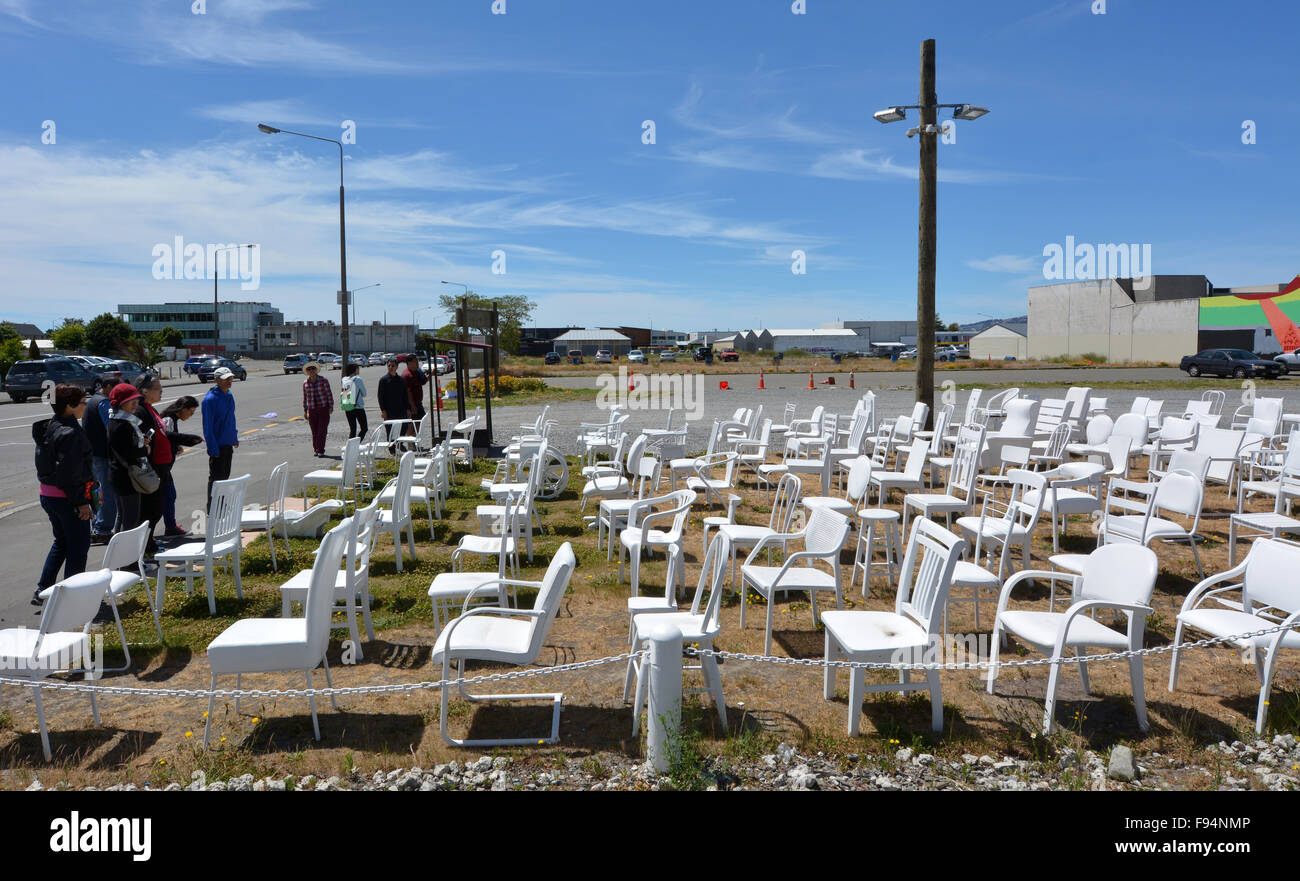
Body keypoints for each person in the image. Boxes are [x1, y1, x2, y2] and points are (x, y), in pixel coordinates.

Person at [34, 383, 94, 605]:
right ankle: (71, 598)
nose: (86, 405)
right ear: (70, 406)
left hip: (48, 494)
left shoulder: (50, 426)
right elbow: (70, 473)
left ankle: (43, 591)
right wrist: (81, 503)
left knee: (62, 542)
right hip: (67, 498)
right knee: (78, 546)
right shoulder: (71, 433)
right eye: (82, 401)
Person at [136, 377, 201, 550]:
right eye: (158, 388)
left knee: (158, 506)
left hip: (162, 467)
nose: (161, 391)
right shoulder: (144, 412)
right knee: (151, 508)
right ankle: (146, 544)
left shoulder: (151, 410)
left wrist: (182, 441)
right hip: (154, 467)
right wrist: (180, 442)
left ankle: (151, 541)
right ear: (145, 391)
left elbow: (161, 436)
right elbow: (152, 437)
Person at [106, 382, 152, 539]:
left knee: (124, 518)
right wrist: (144, 450)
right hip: (126, 477)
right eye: (130, 401)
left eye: (137, 400)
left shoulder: (117, 419)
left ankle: (119, 558)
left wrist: (140, 443)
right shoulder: (122, 424)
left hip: (119, 475)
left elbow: (123, 447)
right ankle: (127, 562)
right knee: (131, 521)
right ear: (120, 403)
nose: (135, 404)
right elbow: (128, 452)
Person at [81, 376, 117, 544]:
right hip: (102, 454)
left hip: (92, 453)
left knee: (97, 493)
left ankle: (98, 526)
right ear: (108, 387)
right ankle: (102, 529)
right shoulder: (103, 403)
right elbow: (111, 427)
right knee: (107, 493)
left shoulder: (92, 401)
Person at [159, 395, 200, 536]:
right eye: (191, 412)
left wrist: (176, 446)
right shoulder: (168, 420)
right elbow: (165, 437)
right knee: (168, 496)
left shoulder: (171, 419)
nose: (191, 415)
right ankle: (169, 527)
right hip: (160, 468)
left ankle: (170, 526)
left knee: (169, 496)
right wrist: (183, 441)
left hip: (164, 467)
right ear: (183, 409)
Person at [202, 366, 238, 509]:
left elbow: (231, 418)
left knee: (225, 476)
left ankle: (222, 504)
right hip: (217, 445)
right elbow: (207, 427)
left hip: (228, 442)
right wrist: (212, 448)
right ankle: (213, 507)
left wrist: (234, 436)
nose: (229, 381)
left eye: (230, 378)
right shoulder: (210, 399)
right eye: (225, 379)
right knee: (216, 478)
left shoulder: (229, 395)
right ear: (217, 380)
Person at [302, 362, 334, 457]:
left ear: (316, 370)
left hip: (323, 408)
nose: (311, 371)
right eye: (309, 369)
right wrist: (305, 410)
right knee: (314, 431)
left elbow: (329, 394)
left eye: (313, 369)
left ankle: (320, 449)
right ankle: (316, 449)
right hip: (312, 409)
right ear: (307, 372)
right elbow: (305, 398)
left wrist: (331, 406)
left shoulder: (323, 380)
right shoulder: (305, 383)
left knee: (322, 430)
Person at [376, 356, 409, 447]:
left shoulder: (401, 380)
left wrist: (408, 408)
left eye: (393, 366)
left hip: (401, 408)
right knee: (390, 429)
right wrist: (383, 410)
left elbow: (405, 395)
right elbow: (380, 396)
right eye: (389, 366)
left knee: (404, 425)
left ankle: (399, 443)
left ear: (397, 367)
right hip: (389, 410)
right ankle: (391, 448)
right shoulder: (384, 380)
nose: (390, 367)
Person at [340, 362, 369, 439]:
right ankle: (355, 445)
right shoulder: (358, 379)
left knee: (352, 429)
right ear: (355, 370)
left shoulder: (344, 379)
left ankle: (350, 448)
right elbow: (364, 393)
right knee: (364, 428)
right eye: (358, 368)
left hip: (348, 406)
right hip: (358, 407)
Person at [403, 353, 428, 427]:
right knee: (412, 426)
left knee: (421, 423)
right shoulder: (407, 375)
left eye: (417, 361)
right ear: (409, 363)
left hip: (418, 404)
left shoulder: (416, 372)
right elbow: (408, 392)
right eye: (415, 362)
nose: (417, 363)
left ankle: (418, 438)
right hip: (411, 406)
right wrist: (413, 406)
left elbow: (423, 381)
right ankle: (413, 438)